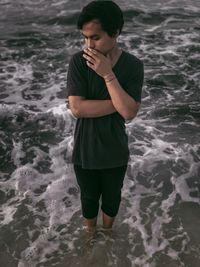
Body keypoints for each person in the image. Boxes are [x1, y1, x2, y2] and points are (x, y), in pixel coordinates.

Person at [66, 0, 144, 233]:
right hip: (85, 149)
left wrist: (108, 75)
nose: (89, 44)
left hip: (115, 150)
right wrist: (121, 103)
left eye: (96, 37)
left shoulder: (133, 65)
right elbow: (77, 109)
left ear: (116, 32)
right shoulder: (79, 62)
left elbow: (129, 114)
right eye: (85, 37)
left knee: (112, 199)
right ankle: (90, 236)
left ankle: (108, 235)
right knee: (88, 200)